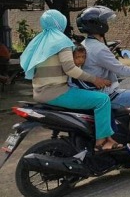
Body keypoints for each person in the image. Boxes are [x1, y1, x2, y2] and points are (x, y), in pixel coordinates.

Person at [19, 10, 120, 152]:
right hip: (57, 92)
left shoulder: (41, 40)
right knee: (102, 100)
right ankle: (101, 142)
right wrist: (95, 79)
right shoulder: (61, 41)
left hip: (40, 92)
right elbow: (70, 69)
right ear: (60, 22)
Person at [76, 6, 130, 163]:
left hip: (91, 90)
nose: (106, 23)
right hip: (107, 93)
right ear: (98, 24)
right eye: (104, 20)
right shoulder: (99, 49)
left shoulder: (85, 44)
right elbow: (121, 70)